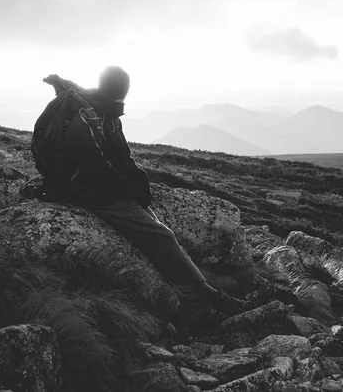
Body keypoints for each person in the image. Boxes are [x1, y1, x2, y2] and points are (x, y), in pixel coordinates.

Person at [33, 66, 242, 313]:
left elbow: (120, 155)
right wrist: (129, 190)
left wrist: (138, 182)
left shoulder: (100, 105)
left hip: (92, 182)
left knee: (153, 220)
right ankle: (204, 293)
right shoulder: (86, 121)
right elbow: (98, 170)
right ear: (119, 92)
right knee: (160, 234)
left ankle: (188, 279)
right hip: (82, 188)